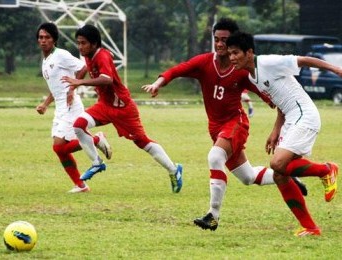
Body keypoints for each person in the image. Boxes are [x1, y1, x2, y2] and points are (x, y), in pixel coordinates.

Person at [142, 18, 307, 231]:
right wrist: (158, 83)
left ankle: (213, 215)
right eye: (216, 39)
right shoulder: (204, 62)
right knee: (248, 177)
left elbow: (270, 94)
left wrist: (274, 107)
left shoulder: (242, 70)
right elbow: (177, 70)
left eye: (224, 41)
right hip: (216, 128)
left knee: (214, 156)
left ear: (233, 44)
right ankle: (288, 178)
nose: (219, 44)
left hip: (235, 123)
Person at [226, 31, 339, 237]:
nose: (231, 58)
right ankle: (310, 227)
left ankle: (326, 169)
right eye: (230, 53)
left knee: (277, 164)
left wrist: (336, 69)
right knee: (280, 174)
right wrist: (276, 129)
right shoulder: (253, 75)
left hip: (305, 115)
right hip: (291, 119)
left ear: (249, 52)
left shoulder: (269, 63)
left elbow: (304, 60)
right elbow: (280, 102)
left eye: (235, 53)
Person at [61, 24, 183, 193]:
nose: (80, 47)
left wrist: (79, 83)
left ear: (94, 43)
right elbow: (83, 70)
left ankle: (174, 170)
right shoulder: (88, 56)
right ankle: (97, 163)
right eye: (78, 43)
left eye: (83, 43)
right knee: (79, 125)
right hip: (104, 105)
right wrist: (73, 87)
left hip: (123, 108)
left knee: (142, 142)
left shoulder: (102, 56)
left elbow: (107, 79)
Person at [36, 22, 112, 193]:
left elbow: (82, 67)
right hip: (60, 107)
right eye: (40, 37)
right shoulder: (46, 60)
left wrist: (72, 89)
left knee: (60, 147)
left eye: (47, 37)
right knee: (59, 149)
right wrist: (45, 104)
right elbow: (55, 87)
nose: (43, 40)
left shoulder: (61, 55)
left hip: (71, 106)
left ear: (54, 39)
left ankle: (96, 140)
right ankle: (81, 185)